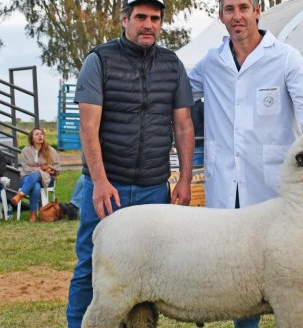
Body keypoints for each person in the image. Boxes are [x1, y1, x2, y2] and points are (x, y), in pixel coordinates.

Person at [188, 0, 303, 327]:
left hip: (276, 190)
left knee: (299, 273)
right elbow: (175, 90)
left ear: (257, 11)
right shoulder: (211, 62)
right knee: (241, 279)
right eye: (229, 9)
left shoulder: (285, 58)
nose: (237, 16)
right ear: (220, 16)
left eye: (243, 7)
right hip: (228, 187)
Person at [66, 0, 195, 326]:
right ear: (125, 20)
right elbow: (87, 127)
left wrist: (184, 179)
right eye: (140, 17)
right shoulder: (99, 60)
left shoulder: (172, 64)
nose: (148, 24)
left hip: (154, 188)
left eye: (155, 18)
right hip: (110, 187)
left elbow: (183, 126)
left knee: (151, 266)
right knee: (92, 263)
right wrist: (99, 181)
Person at [11, 128, 61, 223]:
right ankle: (33, 214)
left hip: (47, 179)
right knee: (35, 185)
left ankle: (21, 196)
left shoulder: (50, 150)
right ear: (32, 138)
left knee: (37, 173)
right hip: (26, 177)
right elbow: (26, 168)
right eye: (37, 134)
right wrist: (42, 168)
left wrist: (45, 170)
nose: (40, 136)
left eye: (41, 134)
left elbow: (57, 168)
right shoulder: (26, 151)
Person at [190, 99, 204, 167]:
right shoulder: (188, 107)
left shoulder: (200, 106)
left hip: (199, 144)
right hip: (192, 145)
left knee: (196, 170)